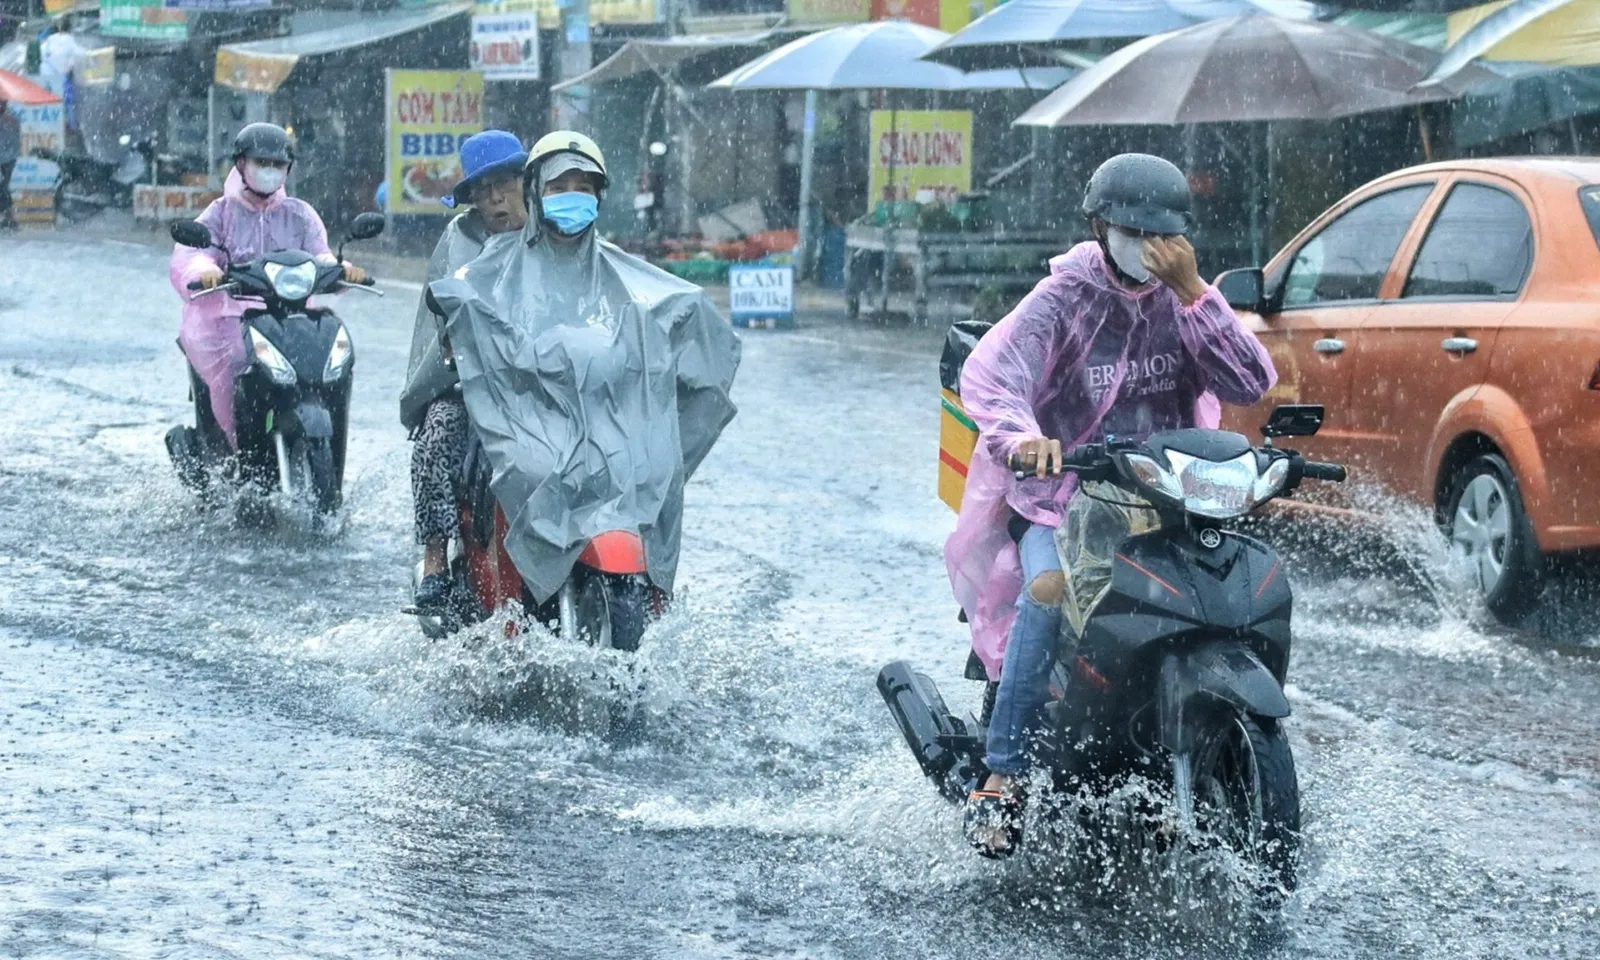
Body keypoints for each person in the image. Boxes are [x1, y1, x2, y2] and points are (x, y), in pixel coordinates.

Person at [946, 154, 1277, 857]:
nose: (1149, 246)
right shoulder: (1063, 299)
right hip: (1063, 497)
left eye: (1165, 235)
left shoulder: (1184, 301)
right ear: (1100, 227)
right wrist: (1025, 439)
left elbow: (1250, 381)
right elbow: (993, 377)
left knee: (1208, 599)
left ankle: (1183, 747)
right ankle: (1001, 778)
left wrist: (1193, 294)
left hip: (1166, 498)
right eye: (1134, 231)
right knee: (1048, 592)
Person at [168, 122, 367, 451]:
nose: (270, 171)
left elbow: (321, 255)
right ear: (241, 164)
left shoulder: (300, 215)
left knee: (335, 360)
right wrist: (206, 271)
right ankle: (232, 451)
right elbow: (192, 255)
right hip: (230, 320)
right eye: (262, 163)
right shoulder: (220, 214)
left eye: (277, 165)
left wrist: (343, 271)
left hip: (292, 317)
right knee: (235, 361)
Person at [402, 129, 529, 610]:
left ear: (527, 182)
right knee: (437, 435)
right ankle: (436, 559)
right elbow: (447, 315)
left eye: (506, 183)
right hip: (473, 381)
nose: (496, 198)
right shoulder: (460, 240)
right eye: (483, 189)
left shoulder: (555, 232)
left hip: (552, 379)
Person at [0, 98, 20, 231]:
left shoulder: (10, 119)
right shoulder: (10, 118)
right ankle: (9, 217)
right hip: (8, 157)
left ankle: (10, 217)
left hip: (6, 159)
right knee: (3, 187)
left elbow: (10, 140)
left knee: (2, 187)